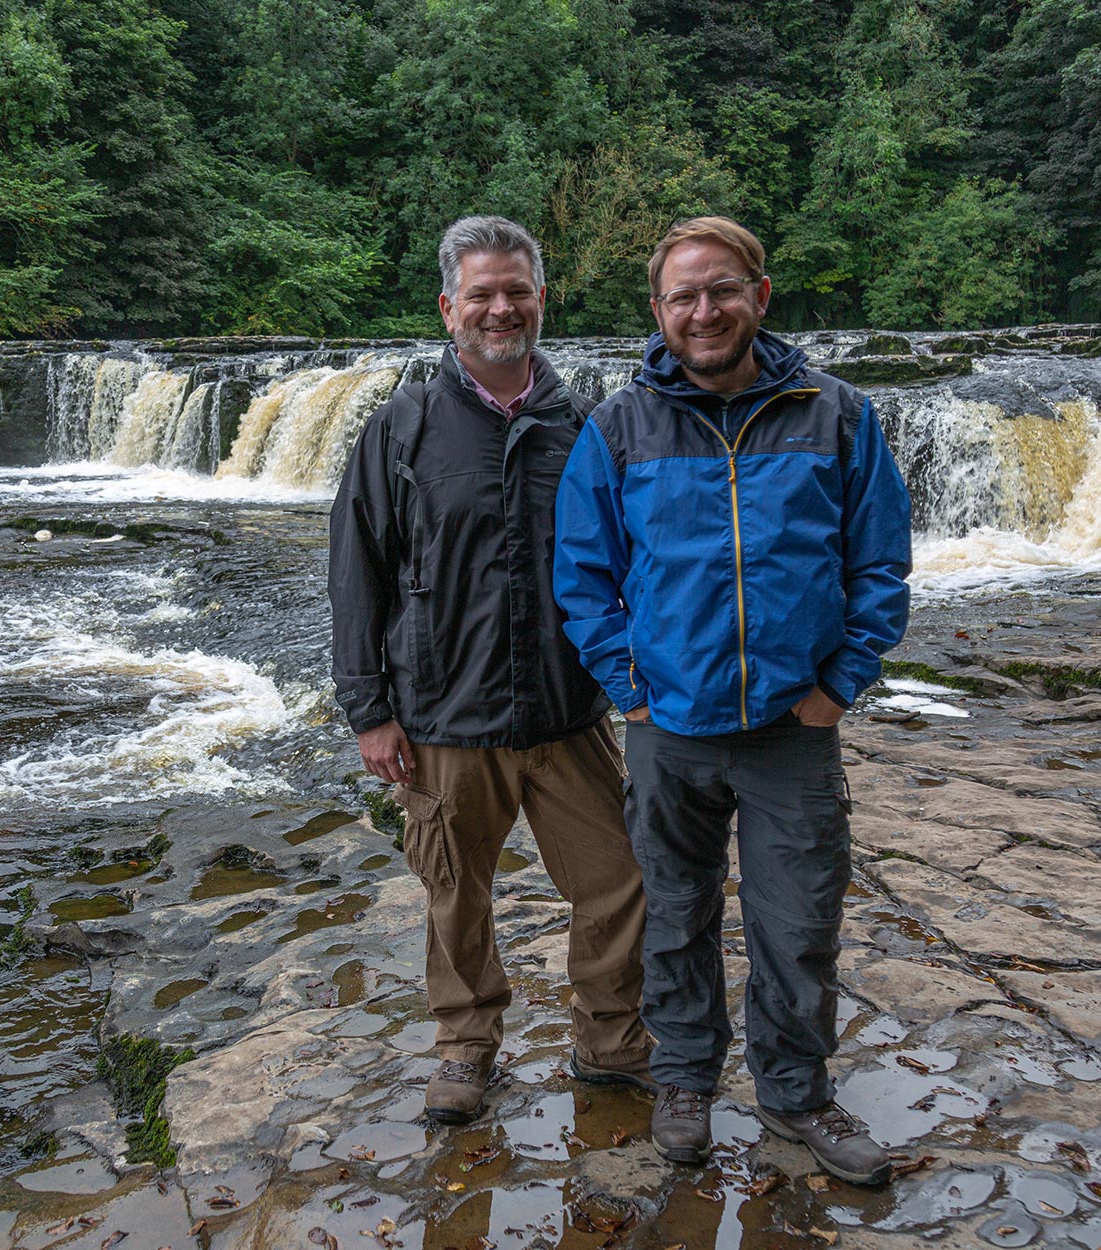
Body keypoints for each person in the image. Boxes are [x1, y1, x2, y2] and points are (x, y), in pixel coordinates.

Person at [552, 216, 912, 1183]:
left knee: (798, 925)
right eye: (682, 296)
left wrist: (841, 686)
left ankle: (797, 1096)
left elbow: (879, 563)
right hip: (670, 729)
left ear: (760, 293)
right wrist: (631, 689)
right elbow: (585, 580)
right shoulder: (618, 428)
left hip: (794, 729)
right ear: (660, 313)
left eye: (720, 289)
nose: (702, 311)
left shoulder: (836, 415)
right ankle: (683, 1078)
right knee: (674, 914)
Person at [329, 215, 651, 1124]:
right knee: (454, 892)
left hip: (565, 712)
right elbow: (357, 573)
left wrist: (639, 684)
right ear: (448, 308)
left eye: (517, 291)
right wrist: (368, 712)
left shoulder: (587, 427)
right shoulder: (400, 430)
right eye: (482, 294)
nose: (500, 307)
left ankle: (613, 1043)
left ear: (542, 301)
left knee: (620, 881)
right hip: (440, 715)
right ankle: (466, 1049)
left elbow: (630, 568)